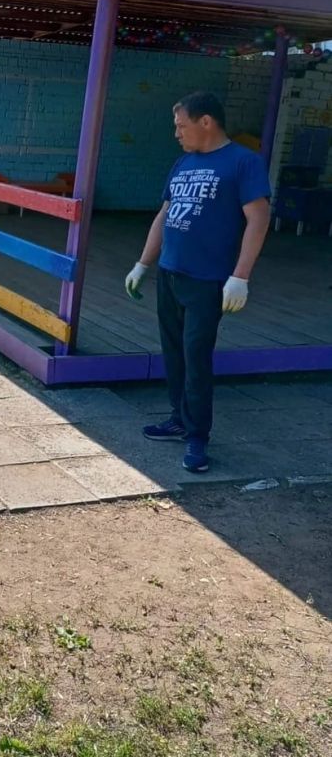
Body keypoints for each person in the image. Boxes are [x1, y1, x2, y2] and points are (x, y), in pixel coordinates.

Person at [124, 91, 271, 474]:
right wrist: (143, 264)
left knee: (196, 357)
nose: (177, 133)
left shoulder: (243, 162)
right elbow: (165, 214)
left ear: (206, 122)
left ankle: (197, 436)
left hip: (208, 281)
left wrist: (240, 275)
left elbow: (258, 218)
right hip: (170, 274)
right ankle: (179, 418)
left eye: (181, 125)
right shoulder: (183, 163)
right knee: (173, 353)